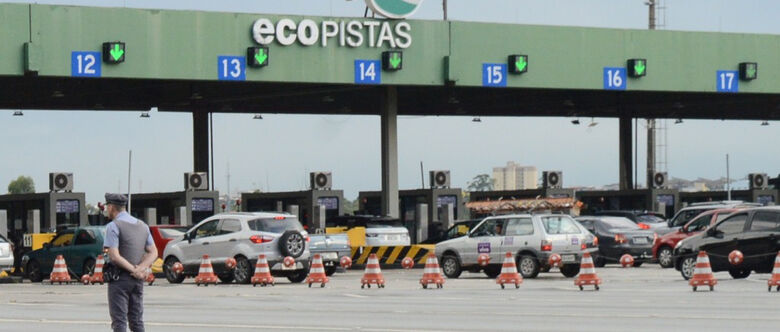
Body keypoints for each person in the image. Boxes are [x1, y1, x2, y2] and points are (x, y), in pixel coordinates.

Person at [103, 193, 157, 332]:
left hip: (120, 280)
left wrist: (133, 270)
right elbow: (153, 252)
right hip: (137, 281)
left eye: (107, 207)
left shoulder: (113, 226)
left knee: (119, 322)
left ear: (111, 207)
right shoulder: (143, 226)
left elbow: (114, 256)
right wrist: (141, 269)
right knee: (137, 320)